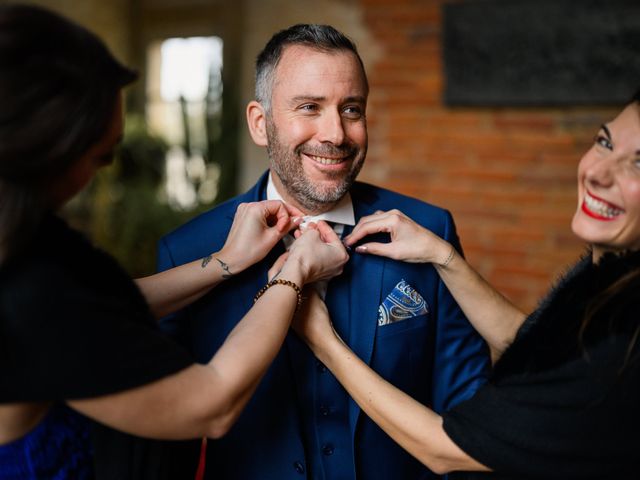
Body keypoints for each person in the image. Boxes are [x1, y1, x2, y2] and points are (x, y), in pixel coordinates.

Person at [0, 5, 348, 479]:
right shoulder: (29, 293)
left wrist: (224, 262)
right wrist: (293, 273)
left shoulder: (32, 236)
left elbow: (101, 305)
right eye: (102, 156)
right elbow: (213, 403)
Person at [154, 24, 490, 479]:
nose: (336, 133)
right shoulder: (188, 252)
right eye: (309, 107)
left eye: (351, 109)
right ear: (260, 122)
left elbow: (470, 420)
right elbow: (168, 444)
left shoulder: (429, 231)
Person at [293, 90, 640, 479]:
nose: (597, 172)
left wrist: (321, 338)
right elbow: (546, 349)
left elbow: (447, 448)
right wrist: (443, 256)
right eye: (604, 142)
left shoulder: (629, 343)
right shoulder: (612, 277)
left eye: (639, 165)